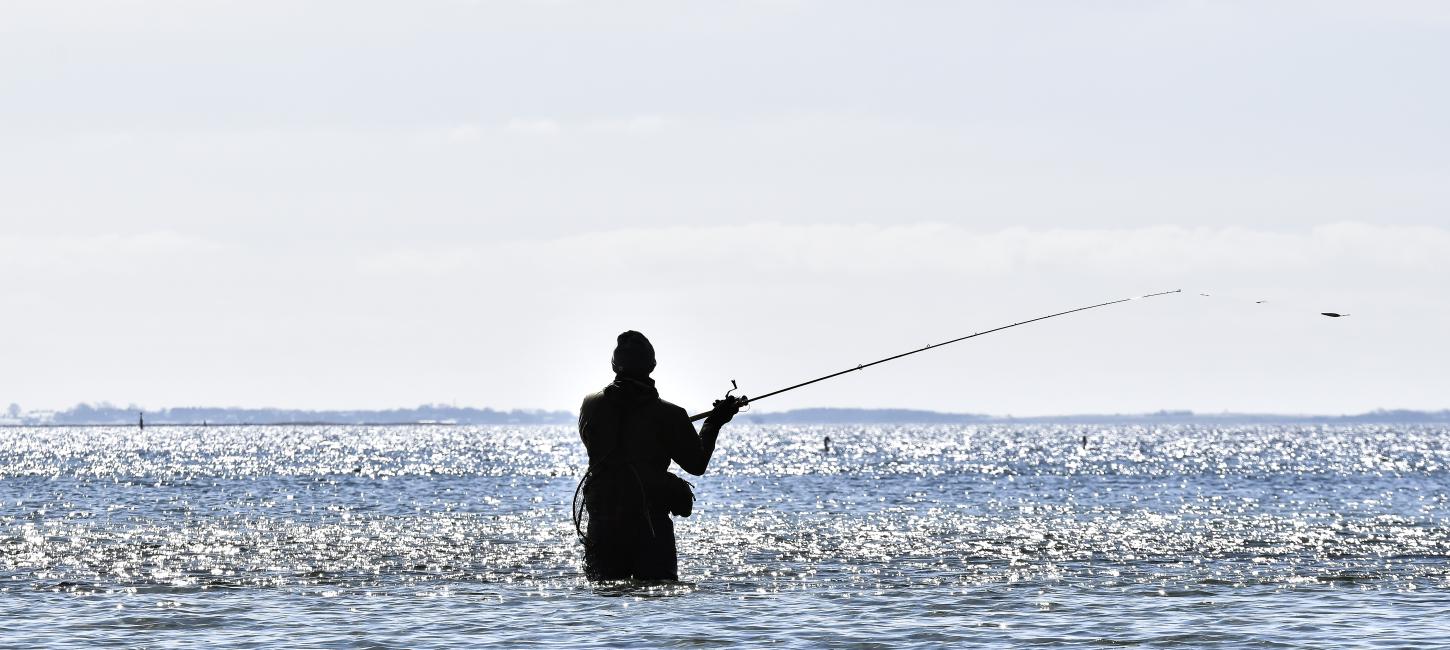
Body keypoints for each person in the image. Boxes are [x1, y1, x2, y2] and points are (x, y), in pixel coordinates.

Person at [576, 330, 741, 581]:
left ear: (614, 366)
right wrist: (714, 423)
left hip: (603, 520)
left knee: (605, 594)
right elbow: (696, 465)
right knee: (657, 591)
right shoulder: (670, 415)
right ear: (652, 365)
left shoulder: (590, 405)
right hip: (649, 525)